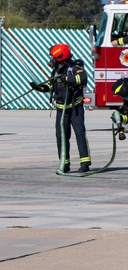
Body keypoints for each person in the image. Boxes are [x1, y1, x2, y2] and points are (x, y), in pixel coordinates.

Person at [30, 43, 91, 173]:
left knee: (80, 133)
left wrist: (66, 78)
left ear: (60, 56)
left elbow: (83, 79)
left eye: (53, 57)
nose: (51, 60)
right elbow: (52, 86)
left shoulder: (75, 67)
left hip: (75, 108)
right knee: (61, 136)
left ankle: (85, 163)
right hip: (61, 108)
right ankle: (65, 162)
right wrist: (40, 88)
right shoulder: (56, 70)